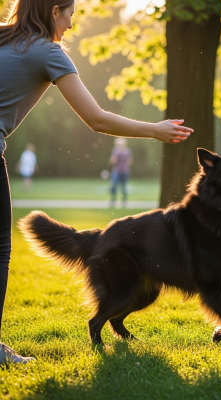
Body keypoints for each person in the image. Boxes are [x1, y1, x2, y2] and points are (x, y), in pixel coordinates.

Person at [0, 0, 193, 364]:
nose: (71, 25)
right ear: (54, 11)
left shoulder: (4, 39)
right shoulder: (47, 51)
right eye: (70, 14)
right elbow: (97, 119)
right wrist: (155, 130)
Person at [109, 137, 132, 207]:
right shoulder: (115, 151)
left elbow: (130, 161)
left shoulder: (127, 151)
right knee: (114, 186)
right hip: (117, 170)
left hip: (125, 171)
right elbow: (112, 161)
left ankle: (124, 201)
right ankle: (113, 200)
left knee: (124, 187)